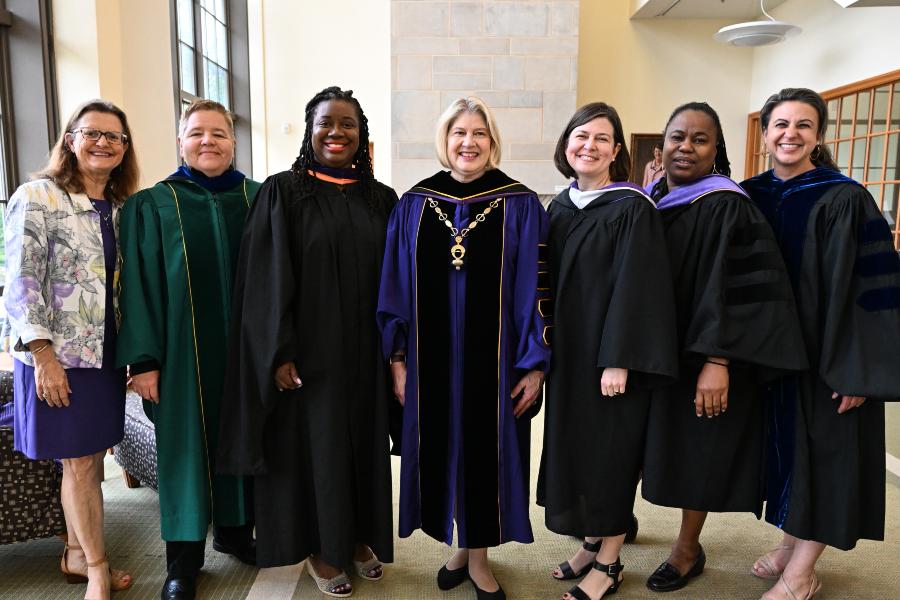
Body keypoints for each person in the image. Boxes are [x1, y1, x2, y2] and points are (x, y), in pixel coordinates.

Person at [217, 86, 396, 598]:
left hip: (366, 350)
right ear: (309, 129)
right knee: (316, 448)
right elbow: (265, 281)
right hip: (308, 354)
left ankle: (359, 537)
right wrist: (279, 350)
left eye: (348, 125)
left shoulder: (379, 198)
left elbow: (398, 279)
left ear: (361, 136)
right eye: (326, 123)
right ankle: (322, 547)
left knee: (362, 441)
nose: (337, 133)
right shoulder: (282, 192)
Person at [377, 96, 550, 600]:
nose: (468, 143)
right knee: (441, 450)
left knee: (485, 453)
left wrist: (534, 365)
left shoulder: (519, 203)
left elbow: (537, 291)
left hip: (494, 363)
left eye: (479, 133)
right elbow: (395, 288)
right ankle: (458, 545)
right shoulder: (414, 204)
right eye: (459, 133)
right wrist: (399, 360)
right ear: (445, 141)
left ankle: (478, 557)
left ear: (492, 142)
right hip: (428, 361)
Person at [640, 102, 807, 593]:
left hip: (702, 353)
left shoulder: (726, 205)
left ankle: (687, 548)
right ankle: (615, 526)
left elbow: (732, 287)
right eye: (677, 137)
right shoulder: (648, 198)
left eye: (699, 140)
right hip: (654, 348)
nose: (686, 147)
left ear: (717, 150)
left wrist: (718, 360)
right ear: (661, 145)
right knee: (641, 440)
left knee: (699, 451)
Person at [741, 88, 900, 600]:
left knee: (826, 456)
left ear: (818, 135)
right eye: (780, 124)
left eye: (803, 125)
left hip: (828, 357)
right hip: (771, 357)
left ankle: (803, 571)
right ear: (765, 134)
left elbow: (873, 289)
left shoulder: (845, 197)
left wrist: (856, 371)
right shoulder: (748, 195)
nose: (790, 134)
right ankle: (790, 543)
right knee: (787, 456)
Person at [117, 99, 259, 600]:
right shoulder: (153, 204)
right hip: (180, 359)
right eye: (197, 133)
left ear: (233, 141)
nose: (208, 142)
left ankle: (238, 532)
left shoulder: (258, 198)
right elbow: (138, 287)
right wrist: (145, 362)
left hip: (247, 358)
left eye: (218, 133)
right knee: (183, 452)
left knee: (242, 437)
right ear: (181, 141)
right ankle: (182, 560)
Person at [536, 102, 679, 600]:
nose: (589, 145)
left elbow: (639, 287)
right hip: (569, 357)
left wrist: (618, 357)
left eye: (601, 138)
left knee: (611, 455)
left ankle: (611, 561)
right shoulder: (558, 207)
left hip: (612, 360)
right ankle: (590, 542)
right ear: (566, 144)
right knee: (576, 450)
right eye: (581, 136)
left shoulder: (633, 208)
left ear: (616, 151)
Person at [3, 99, 139, 600]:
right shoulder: (38, 196)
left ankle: (77, 553)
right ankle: (97, 568)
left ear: (125, 150)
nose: (104, 142)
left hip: (105, 357)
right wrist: (43, 356)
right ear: (70, 139)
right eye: (93, 133)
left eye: (115, 137)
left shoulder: (124, 209)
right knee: (81, 464)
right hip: (59, 357)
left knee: (86, 460)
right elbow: (19, 281)